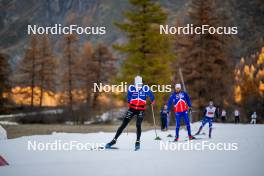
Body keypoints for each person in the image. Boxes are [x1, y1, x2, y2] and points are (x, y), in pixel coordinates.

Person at [105, 76, 155, 150]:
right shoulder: (131, 88)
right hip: (132, 108)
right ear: (135, 83)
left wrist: (152, 100)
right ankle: (114, 140)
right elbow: (128, 96)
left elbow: (151, 95)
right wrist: (129, 101)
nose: (138, 86)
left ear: (141, 83)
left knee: (138, 125)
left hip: (141, 109)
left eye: (140, 85)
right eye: (137, 84)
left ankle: (137, 142)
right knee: (123, 124)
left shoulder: (145, 88)